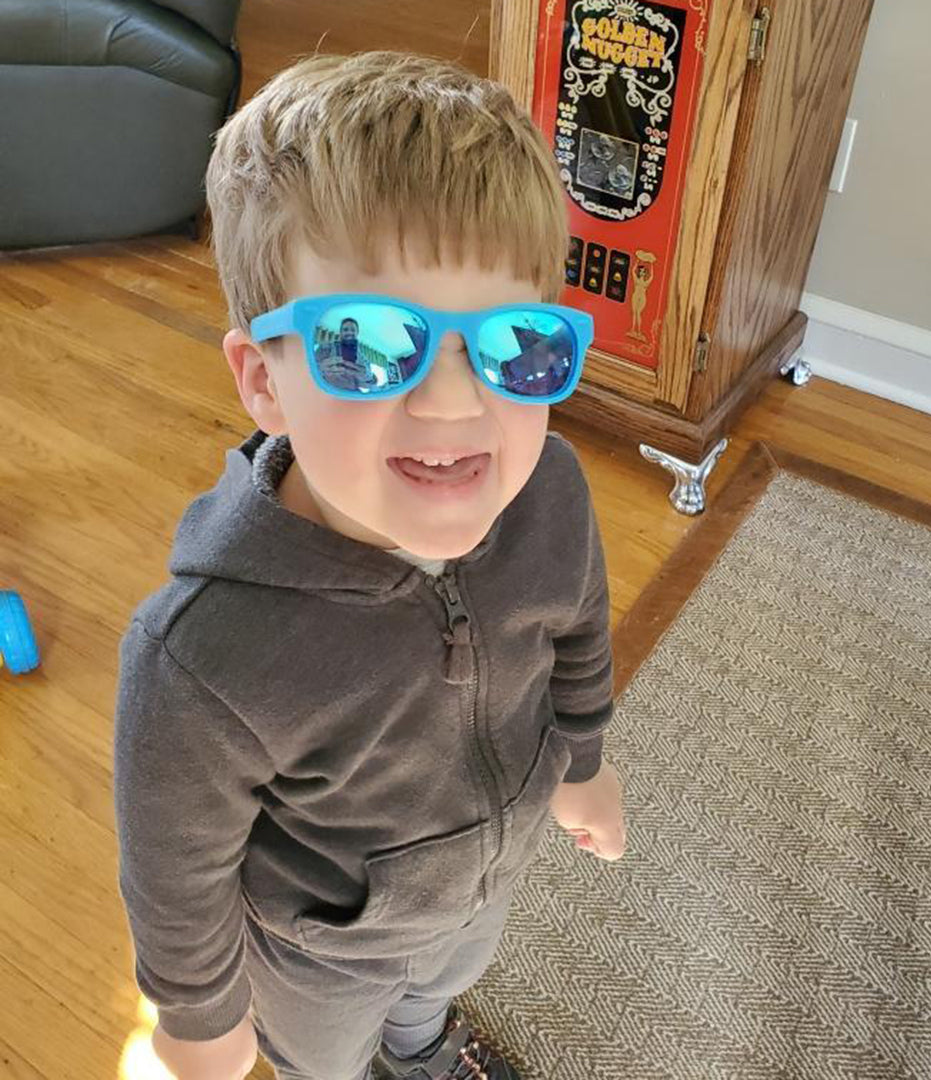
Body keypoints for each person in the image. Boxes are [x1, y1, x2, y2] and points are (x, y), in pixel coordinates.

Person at [112, 49, 625, 1080]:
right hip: (322, 959)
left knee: (438, 989)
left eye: (514, 344)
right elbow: (176, 871)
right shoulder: (200, 655)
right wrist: (201, 1021)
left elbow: (578, 633)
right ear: (264, 380)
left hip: (482, 883)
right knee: (328, 1058)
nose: (453, 402)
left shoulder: (551, 492)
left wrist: (583, 763)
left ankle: (422, 1047)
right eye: (366, 345)